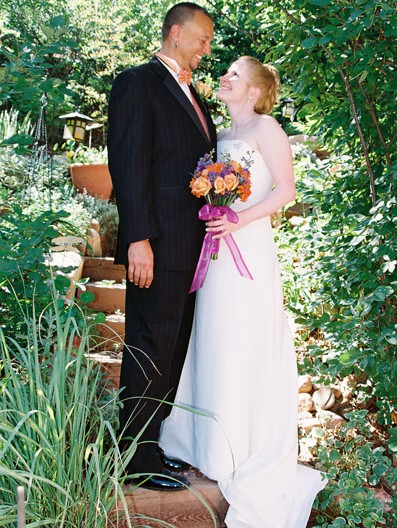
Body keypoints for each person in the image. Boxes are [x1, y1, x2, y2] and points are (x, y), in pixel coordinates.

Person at [160, 56, 327, 526]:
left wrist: (239, 218)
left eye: (235, 74)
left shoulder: (267, 127)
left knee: (240, 336)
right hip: (216, 248)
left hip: (248, 247)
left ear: (253, 92)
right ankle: (204, 442)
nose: (225, 78)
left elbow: (286, 190)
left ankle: (237, 447)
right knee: (212, 335)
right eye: (226, 73)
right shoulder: (220, 134)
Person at [107, 2, 216, 491]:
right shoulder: (137, 83)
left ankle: (151, 447)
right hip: (157, 245)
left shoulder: (195, 95)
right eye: (201, 39)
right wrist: (138, 240)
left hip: (191, 250)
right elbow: (129, 167)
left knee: (171, 352)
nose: (206, 48)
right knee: (149, 347)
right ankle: (134, 460)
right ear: (176, 33)